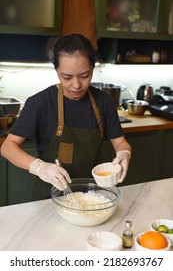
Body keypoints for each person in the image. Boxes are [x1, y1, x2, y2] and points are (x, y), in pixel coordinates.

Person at [1, 34, 132, 200]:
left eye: (85, 75)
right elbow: (7, 147)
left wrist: (124, 153)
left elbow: (120, 142)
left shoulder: (104, 102)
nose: (76, 85)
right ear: (56, 71)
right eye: (67, 77)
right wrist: (40, 167)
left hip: (92, 196)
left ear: (93, 67)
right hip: (48, 199)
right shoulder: (40, 103)